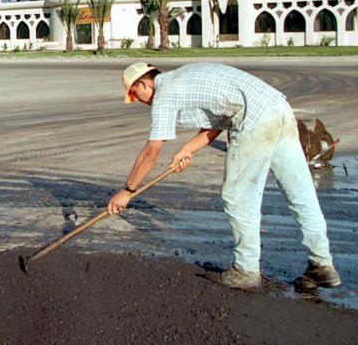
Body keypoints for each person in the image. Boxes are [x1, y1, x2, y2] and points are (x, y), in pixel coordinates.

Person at [108, 62, 341, 291]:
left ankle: (246, 270)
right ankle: (322, 264)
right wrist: (187, 150)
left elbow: (151, 152)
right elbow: (218, 121)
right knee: (301, 194)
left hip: (254, 120)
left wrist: (127, 191)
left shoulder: (164, 94)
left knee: (238, 196)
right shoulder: (183, 78)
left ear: (144, 83)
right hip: (278, 108)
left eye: (134, 93)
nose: (137, 99)